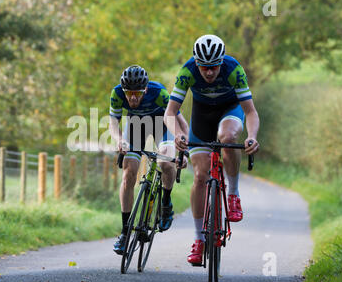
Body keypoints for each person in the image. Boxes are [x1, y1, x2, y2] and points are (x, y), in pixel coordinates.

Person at [164, 35, 260, 265]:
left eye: (214, 67)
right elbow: (170, 113)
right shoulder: (187, 71)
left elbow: (250, 112)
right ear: (197, 63)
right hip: (201, 116)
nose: (209, 72)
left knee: (227, 136)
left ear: (221, 61)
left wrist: (252, 137)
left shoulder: (233, 69)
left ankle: (234, 193)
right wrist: (177, 134)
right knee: (200, 175)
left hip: (230, 109)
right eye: (204, 67)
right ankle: (198, 239)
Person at [109, 65, 189, 255]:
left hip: (162, 125)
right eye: (129, 93)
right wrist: (120, 140)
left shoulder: (159, 93)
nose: (133, 98)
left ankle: (166, 204)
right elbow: (113, 123)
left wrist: (184, 152)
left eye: (138, 93)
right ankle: (125, 231)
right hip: (137, 127)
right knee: (129, 173)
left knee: (165, 162)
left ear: (145, 89)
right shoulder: (117, 94)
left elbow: (181, 123)